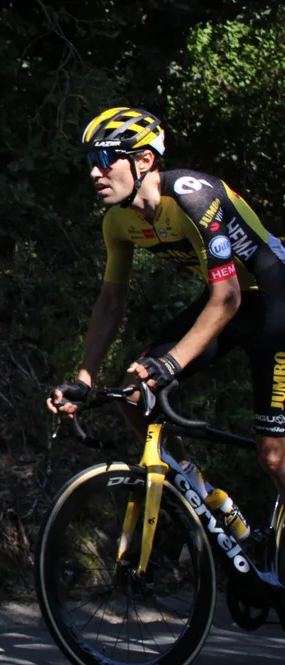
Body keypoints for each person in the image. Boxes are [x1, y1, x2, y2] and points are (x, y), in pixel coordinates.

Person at [49, 106, 285, 531]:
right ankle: (207, 499)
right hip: (230, 304)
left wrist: (171, 363)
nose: (94, 173)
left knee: (273, 456)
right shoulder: (118, 221)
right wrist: (84, 380)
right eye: (90, 162)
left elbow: (227, 298)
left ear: (144, 160)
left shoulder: (194, 197)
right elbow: (110, 303)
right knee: (135, 393)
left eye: (105, 160)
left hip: (275, 304)